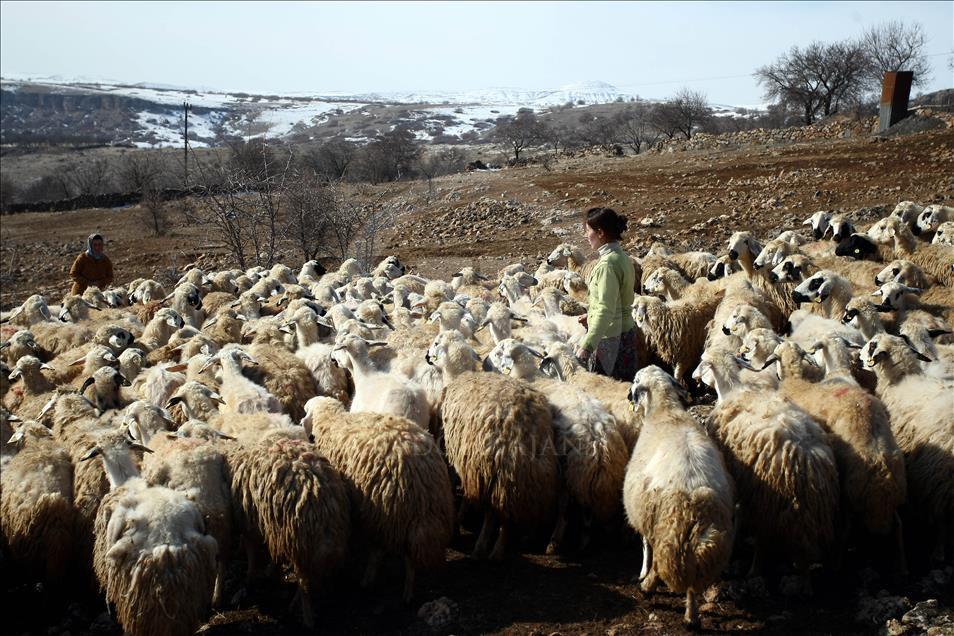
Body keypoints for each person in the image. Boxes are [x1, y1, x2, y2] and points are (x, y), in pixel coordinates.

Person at [574, 207, 638, 381]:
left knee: (606, 393)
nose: (586, 236)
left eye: (588, 231)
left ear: (600, 232)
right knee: (622, 391)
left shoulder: (607, 266)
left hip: (610, 340)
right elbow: (614, 301)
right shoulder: (621, 257)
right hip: (625, 335)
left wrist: (586, 346)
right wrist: (591, 316)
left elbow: (605, 309)